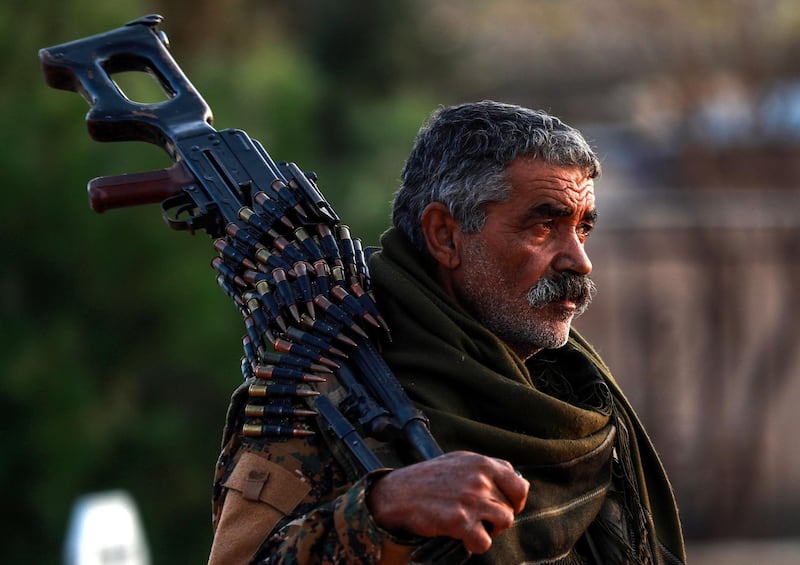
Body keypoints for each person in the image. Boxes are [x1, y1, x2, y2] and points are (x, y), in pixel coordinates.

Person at [208, 101, 687, 564]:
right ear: (445, 235)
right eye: (544, 226)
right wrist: (380, 511)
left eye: (582, 228)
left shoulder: (577, 395)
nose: (578, 260)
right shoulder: (327, 389)